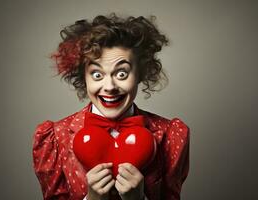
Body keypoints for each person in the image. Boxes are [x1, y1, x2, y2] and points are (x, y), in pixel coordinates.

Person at [32, 13, 190, 200]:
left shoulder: (170, 136)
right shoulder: (55, 139)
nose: (109, 87)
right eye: (97, 75)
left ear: (140, 73)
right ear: (83, 76)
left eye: (121, 73)